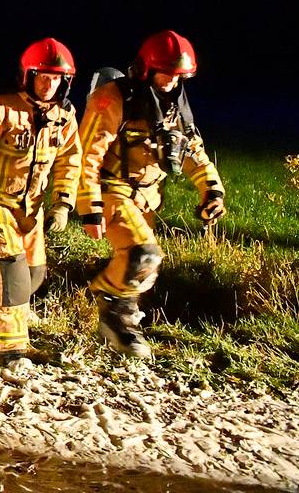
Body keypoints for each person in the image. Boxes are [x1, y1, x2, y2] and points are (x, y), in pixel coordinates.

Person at [77, 30, 225, 357]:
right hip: (112, 189)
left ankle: (114, 328)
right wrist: (90, 206)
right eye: (165, 73)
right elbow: (86, 155)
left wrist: (211, 190)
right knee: (142, 254)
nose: (171, 80)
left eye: (178, 75)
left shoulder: (175, 108)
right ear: (146, 68)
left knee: (145, 268)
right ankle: (113, 312)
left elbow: (192, 152)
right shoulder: (114, 99)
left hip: (146, 198)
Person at [0, 38, 80, 365]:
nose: (49, 84)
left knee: (34, 276)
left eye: (56, 78)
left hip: (32, 214)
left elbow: (70, 162)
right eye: (43, 76)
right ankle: (12, 350)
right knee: (13, 277)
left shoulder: (64, 118)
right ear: (27, 75)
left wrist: (63, 203)